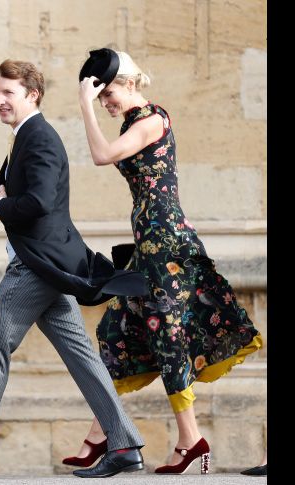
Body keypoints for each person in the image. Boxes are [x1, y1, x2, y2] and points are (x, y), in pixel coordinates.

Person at [0, 59, 150, 480]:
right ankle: (125, 444)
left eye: (9, 93)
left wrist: (1, 204)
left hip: (35, 267)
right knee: (80, 355)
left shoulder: (38, 138)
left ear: (32, 95)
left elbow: (38, 202)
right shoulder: (26, 136)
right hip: (49, 265)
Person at [66, 48, 264, 475]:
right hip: (149, 245)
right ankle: (103, 433)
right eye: (100, 97)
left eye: (108, 92)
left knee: (167, 334)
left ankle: (188, 439)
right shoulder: (134, 123)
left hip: (165, 244)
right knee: (116, 331)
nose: (105, 101)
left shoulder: (152, 120)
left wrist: (84, 105)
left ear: (129, 83)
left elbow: (102, 155)